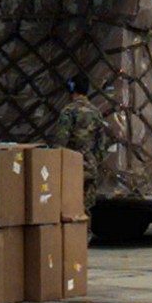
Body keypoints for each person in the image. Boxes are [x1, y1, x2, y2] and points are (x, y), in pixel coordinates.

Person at [50, 73, 107, 210]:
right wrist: (94, 162)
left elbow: (60, 142)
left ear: (72, 89)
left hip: (72, 167)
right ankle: (85, 232)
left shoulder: (69, 111)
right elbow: (101, 144)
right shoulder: (96, 112)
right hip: (90, 167)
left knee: (70, 210)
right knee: (85, 211)